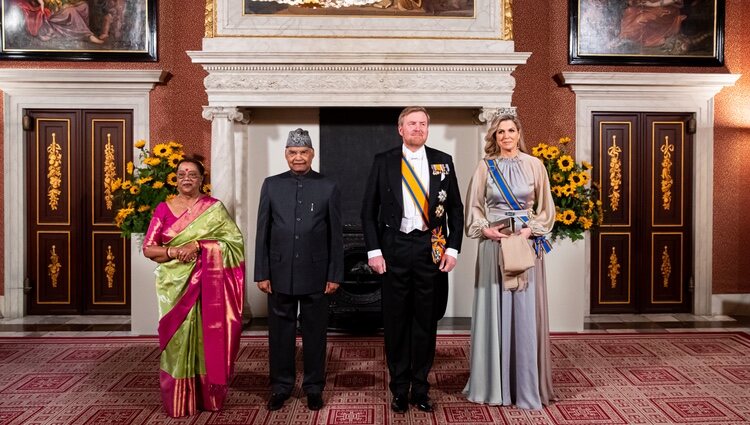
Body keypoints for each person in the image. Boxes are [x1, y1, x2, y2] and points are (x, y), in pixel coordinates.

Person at [361, 106, 464, 413]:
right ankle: (398, 388)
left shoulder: (443, 161)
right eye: (411, 123)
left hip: (430, 247)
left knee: (425, 321)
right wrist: (374, 250)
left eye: (422, 123)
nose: (417, 127)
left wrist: (453, 248)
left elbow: (455, 210)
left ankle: (420, 387)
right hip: (393, 247)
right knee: (395, 322)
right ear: (400, 129)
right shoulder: (384, 161)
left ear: (427, 129)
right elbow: (368, 211)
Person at [462, 114, 555, 409]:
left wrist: (531, 229)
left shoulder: (534, 165)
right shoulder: (484, 167)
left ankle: (525, 386)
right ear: (494, 136)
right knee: (494, 309)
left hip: (525, 246)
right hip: (494, 247)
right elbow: (474, 207)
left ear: (519, 133)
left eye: (511, 130)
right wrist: (485, 230)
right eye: (500, 131)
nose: (506, 136)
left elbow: (547, 209)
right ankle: (493, 384)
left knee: (526, 313)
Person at [143, 158, 245, 418]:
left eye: (192, 174)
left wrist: (199, 245)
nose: (186, 178)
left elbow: (235, 244)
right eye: (181, 174)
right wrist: (174, 250)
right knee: (177, 342)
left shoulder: (214, 208)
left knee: (206, 338)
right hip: (173, 287)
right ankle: (179, 400)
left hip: (209, 288)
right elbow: (148, 248)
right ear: (175, 178)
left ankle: (208, 396)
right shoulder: (163, 209)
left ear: (202, 179)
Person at [254, 128, 344, 412]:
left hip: (317, 274)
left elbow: (336, 235)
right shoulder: (271, 184)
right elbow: (262, 231)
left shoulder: (328, 185)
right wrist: (262, 272)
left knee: (315, 333)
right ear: (286, 154)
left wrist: (334, 273)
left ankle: (314, 387)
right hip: (279, 272)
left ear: (312, 154)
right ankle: (281, 387)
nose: (298, 158)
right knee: (279, 334)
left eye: (303, 152)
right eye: (293, 152)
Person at [11, 0, 105, 44]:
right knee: (71, 12)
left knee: (84, 6)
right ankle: (88, 35)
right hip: (53, 13)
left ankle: (83, 31)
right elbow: (46, 5)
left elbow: (65, 2)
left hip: (62, 7)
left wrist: (68, 4)